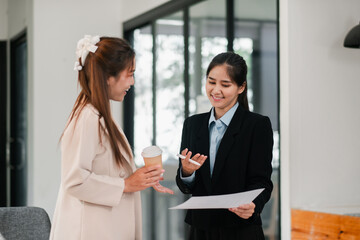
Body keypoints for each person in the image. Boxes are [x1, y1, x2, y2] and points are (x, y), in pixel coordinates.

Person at [50, 35, 173, 240]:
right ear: (108, 76)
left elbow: (107, 169)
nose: (132, 82)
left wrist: (140, 179)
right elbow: (74, 181)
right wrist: (126, 184)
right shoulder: (88, 118)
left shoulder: (101, 115)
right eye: (130, 74)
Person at [176, 52, 273, 240]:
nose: (216, 90)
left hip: (240, 229)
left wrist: (253, 204)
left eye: (225, 84)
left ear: (241, 87)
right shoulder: (192, 124)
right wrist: (187, 173)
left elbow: (262, 181)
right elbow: (186, 186)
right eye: (211, 82)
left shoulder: (256, 125)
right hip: (200, 230)